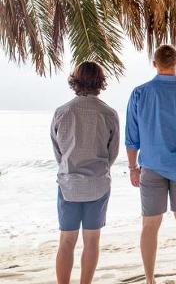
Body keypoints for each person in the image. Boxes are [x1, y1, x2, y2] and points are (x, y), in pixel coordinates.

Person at [125, 45, 176, 284]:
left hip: (151, 167)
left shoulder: (140, 93)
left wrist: (133, 168)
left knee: (150, 225)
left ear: (154, 63)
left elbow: (132, 137)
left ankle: (150, 280)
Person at [51, 62, 119, 284]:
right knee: (92, 240)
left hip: (69, 185)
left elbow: (58, 152)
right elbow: (112, 153)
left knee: (66, 241)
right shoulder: (109, 113)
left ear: (75, 81)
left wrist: (70, 169)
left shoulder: (62, 112)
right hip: (98, 184)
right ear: (100, 82)